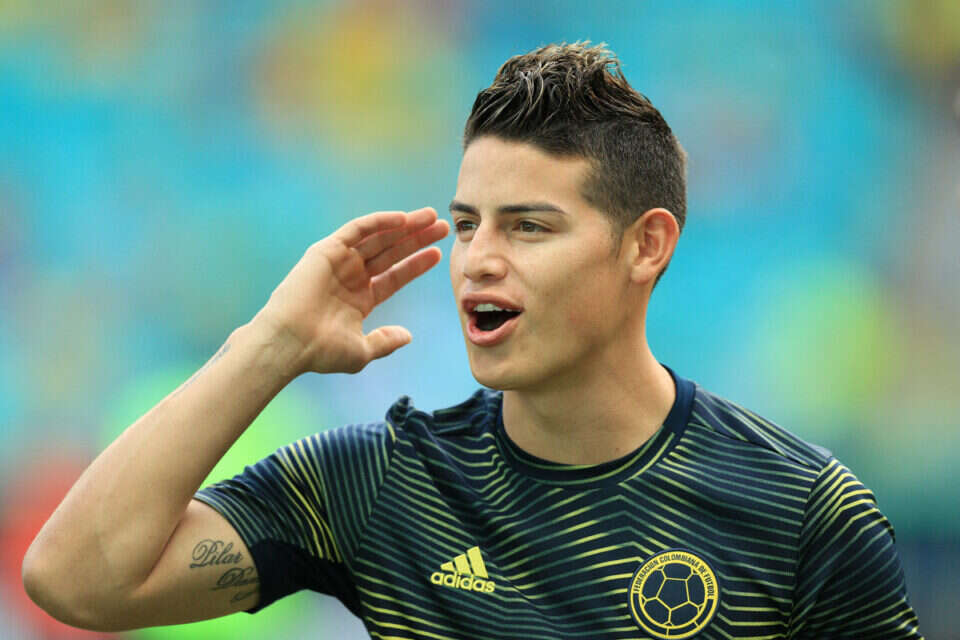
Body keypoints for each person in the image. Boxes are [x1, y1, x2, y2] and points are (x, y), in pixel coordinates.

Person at [23, 42, 922, 639]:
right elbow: (74, 579)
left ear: (645, 246)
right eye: (467, 224)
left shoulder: (802, 513)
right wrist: (271, 345)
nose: (478, 260)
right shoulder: (383, 483)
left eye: (529, 226)